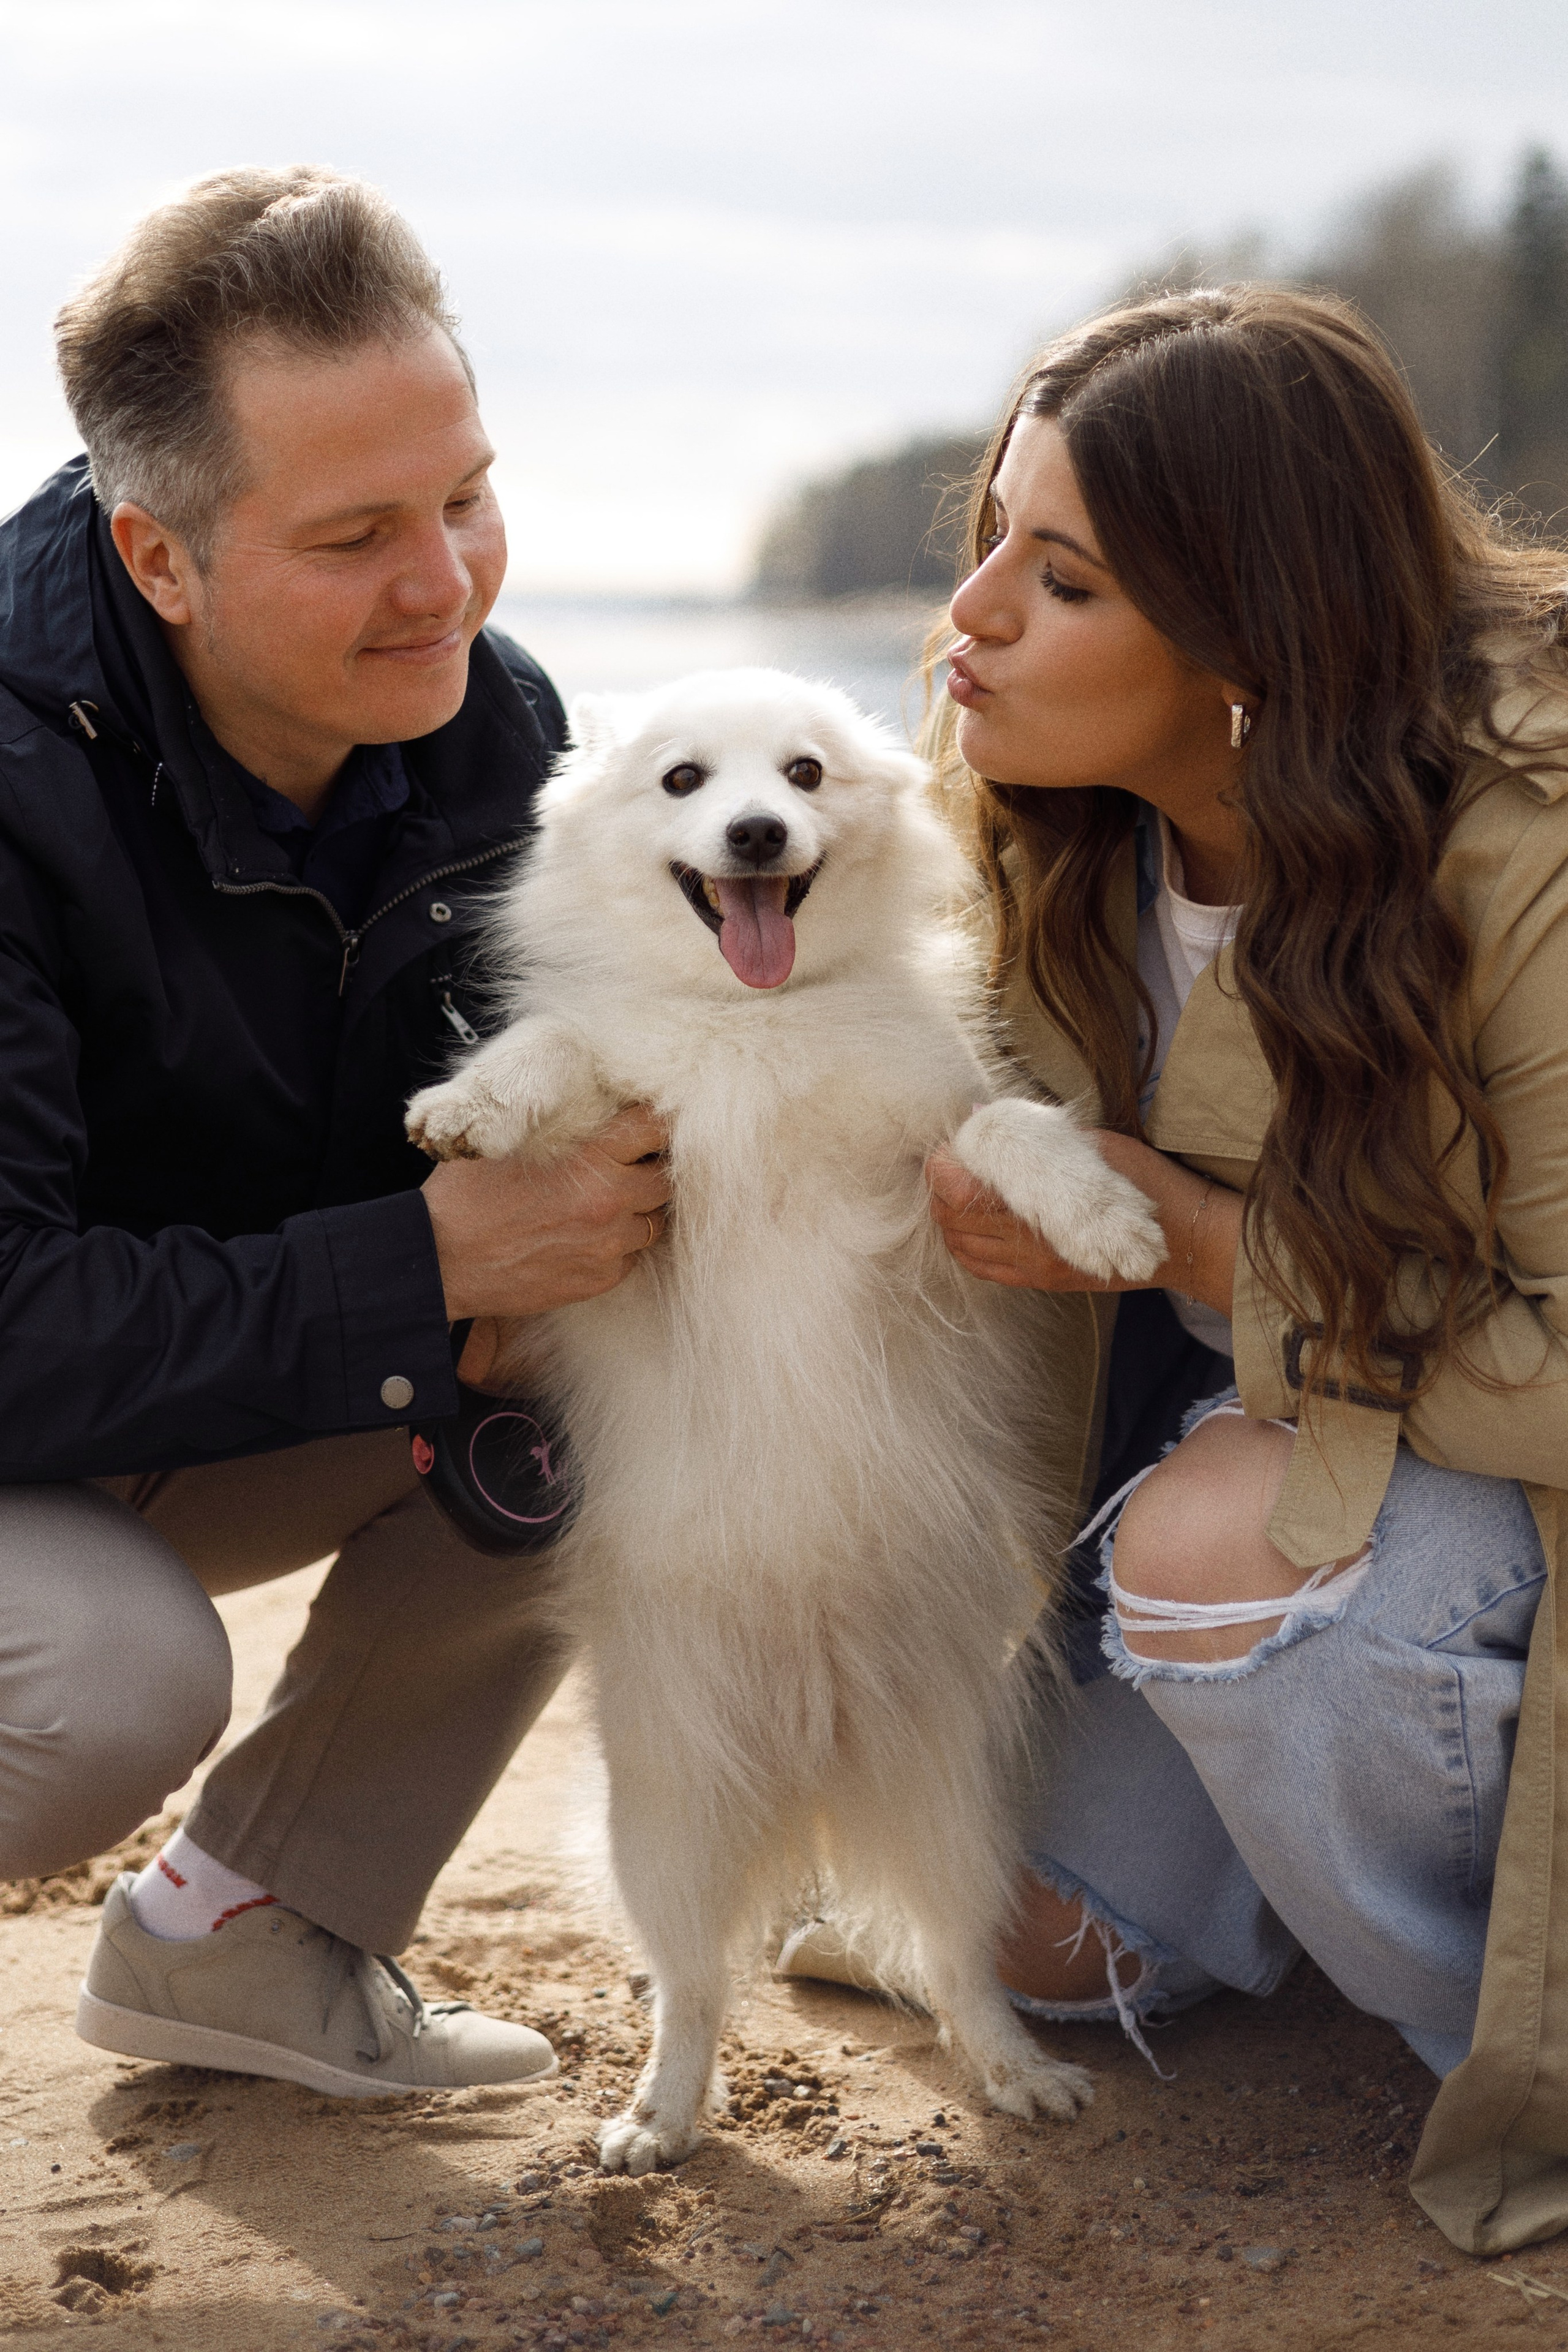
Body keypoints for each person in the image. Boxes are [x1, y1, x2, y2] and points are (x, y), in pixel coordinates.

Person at [0, 167, 669, 2095]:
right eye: (360, 532)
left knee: (613, 1376)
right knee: (100, 1685)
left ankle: (248, 1936)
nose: (445, 580)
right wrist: (431, 1264)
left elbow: (546, 1142)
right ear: (159, 558)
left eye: (464, 496)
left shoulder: (490, 731)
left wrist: (569, 1239)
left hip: (167, 1379)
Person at [916, 287, 1568, 2254]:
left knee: (1212, 1552)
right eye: (991, 548)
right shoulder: (1054, 835)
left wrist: (1202, 1243)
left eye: (1068, 581)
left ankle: (1491, 2013)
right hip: (1244, 1451)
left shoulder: (1526, 849)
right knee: (1026, 1947)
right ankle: (1324, 1833)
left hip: (1500, 1479)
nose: (972, 625)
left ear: (1248, 643)